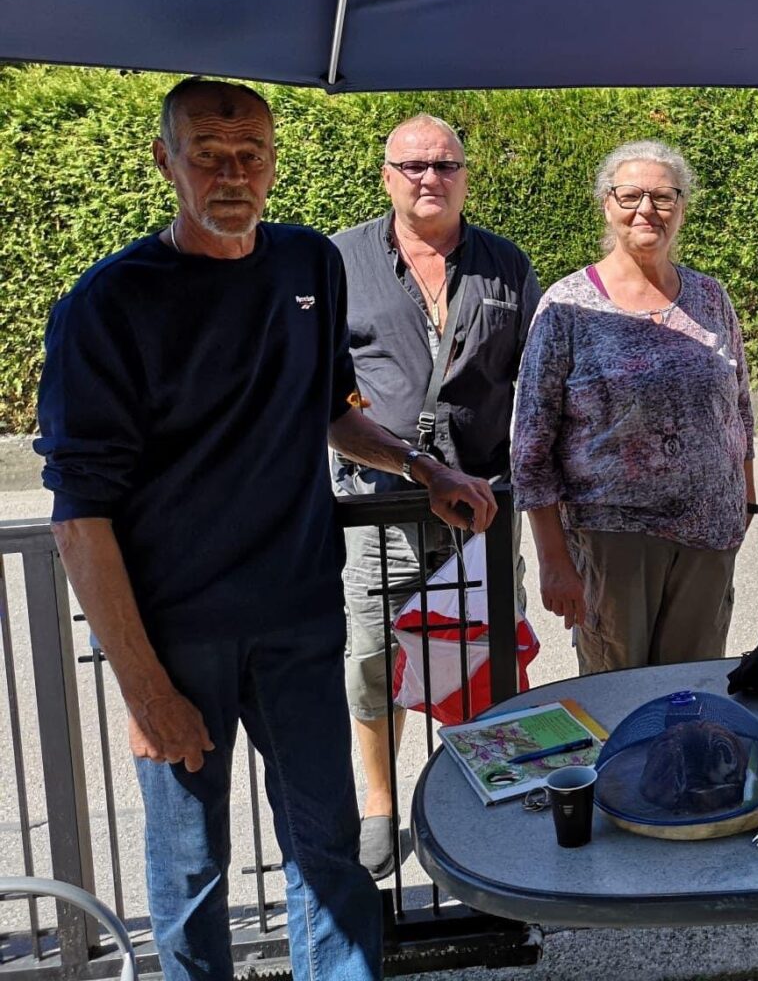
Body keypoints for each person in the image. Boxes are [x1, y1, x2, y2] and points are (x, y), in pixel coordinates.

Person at [35, 78, 498, 980]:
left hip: (297, 615)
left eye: (250, 154)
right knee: (191, 871)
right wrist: (143, 688)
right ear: (165, 161)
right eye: (208, 155)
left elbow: (331, 408)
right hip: (176, 636)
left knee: (328, 851)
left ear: (275, 163)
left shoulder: (308, 265)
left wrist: (423, 468)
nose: (232, 174)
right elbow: (78, 517)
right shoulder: (107, 303)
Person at [332, 113, 540, 879]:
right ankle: (380, 804)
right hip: (379, 505)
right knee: (374, 656)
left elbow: (534, 384)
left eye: (445, 165)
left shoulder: (505, 265)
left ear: (465, 176)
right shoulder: (338, 261)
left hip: (482, 512)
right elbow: (321, 394)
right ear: (386, 175)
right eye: (414, 165)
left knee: (487, 653)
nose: (430, 178)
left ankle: (484, 790)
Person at [512, 140, 755, 674]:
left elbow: (738, 406)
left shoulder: (710, 297)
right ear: (607, 204)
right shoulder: (568, 306)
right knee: (617, 689)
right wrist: (554, 559)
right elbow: (531, 445)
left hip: (710, 536)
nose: (647, 209)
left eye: (664, 197)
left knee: (693, 687)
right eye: (630, 196)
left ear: (682, 207)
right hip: (613, 538)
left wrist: (747, 507)